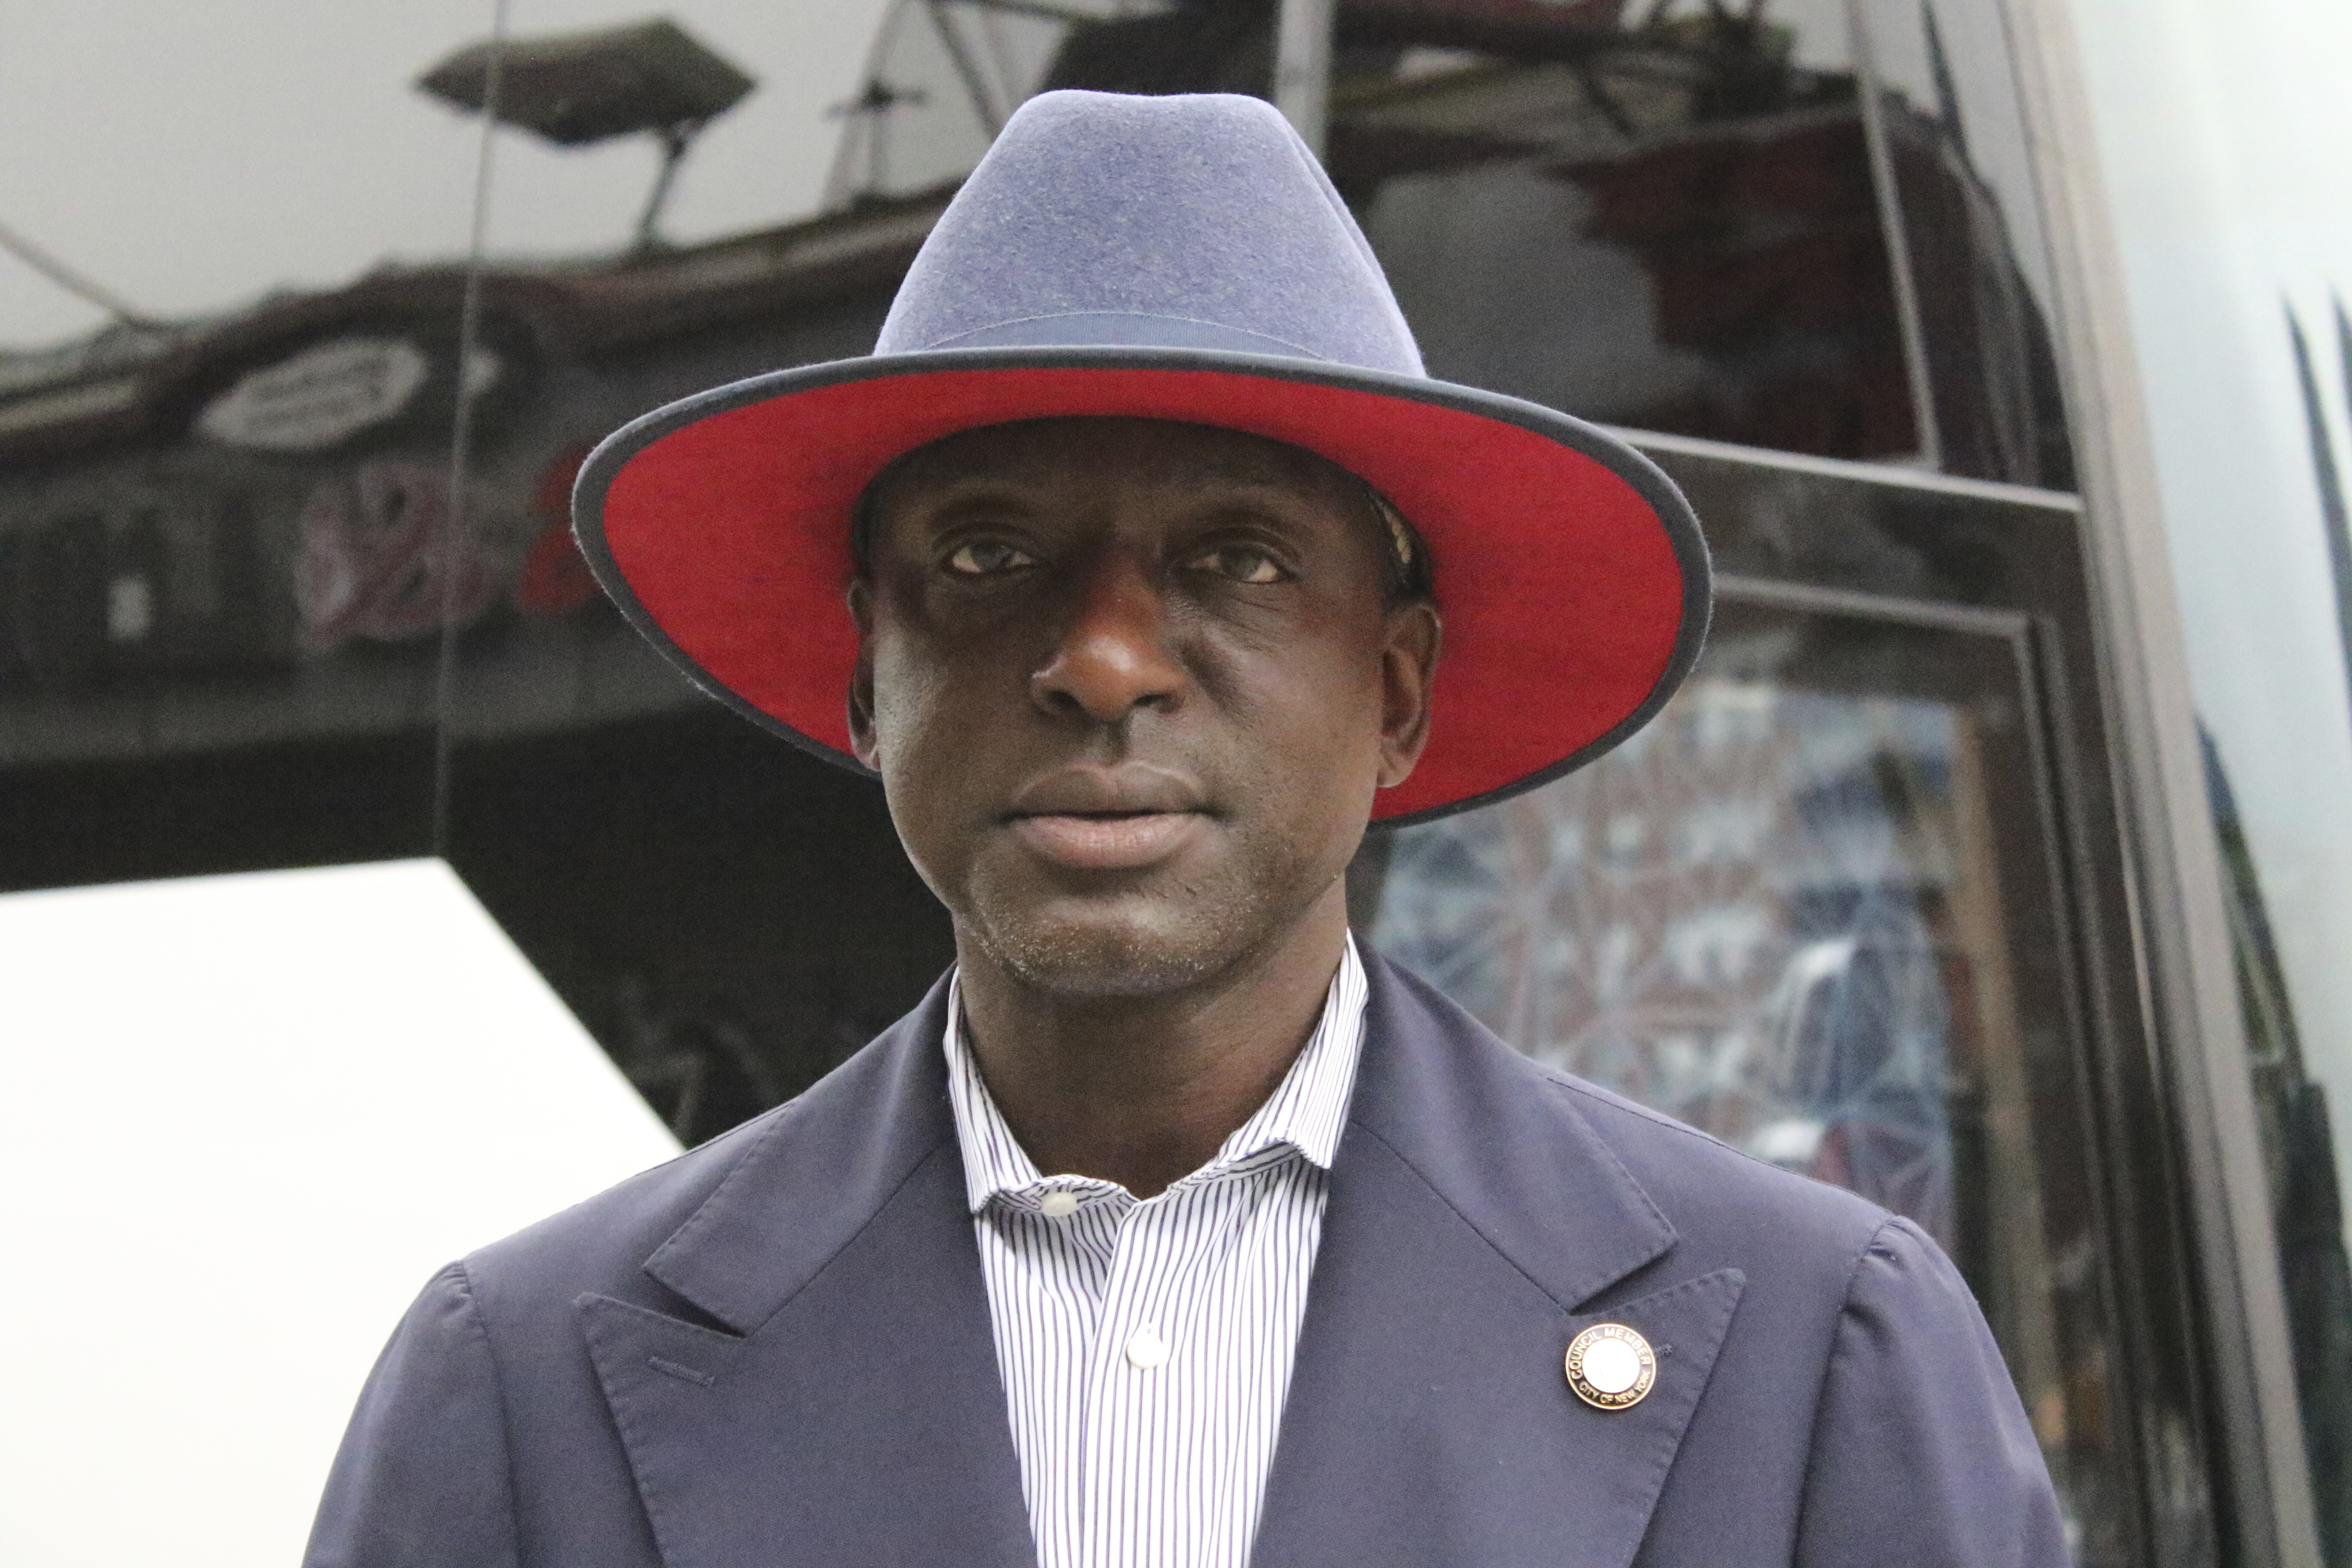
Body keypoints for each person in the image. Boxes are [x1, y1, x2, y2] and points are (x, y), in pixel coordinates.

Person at [306, 90, 2065, 1568]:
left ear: (1394, 691)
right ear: (868, 686)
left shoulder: (1815, 1350)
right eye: (990, 558)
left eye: (1237, 559)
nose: (1105, 659)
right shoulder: (524, 1391)